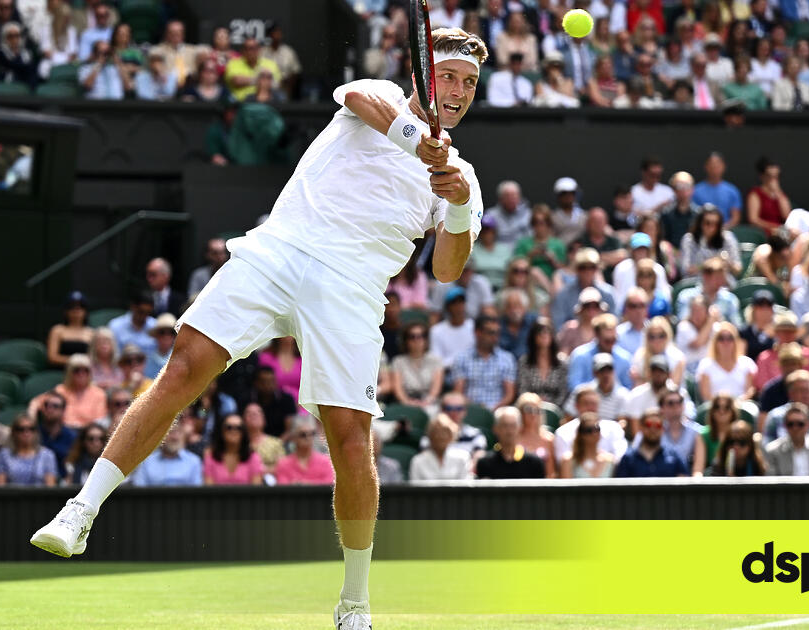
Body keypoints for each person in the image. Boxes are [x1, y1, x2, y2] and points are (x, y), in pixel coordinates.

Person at [30, 30, 491, 630]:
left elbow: (447, 268)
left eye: (469, 85)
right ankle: (79, 512)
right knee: (185, 364)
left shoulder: (465, 175)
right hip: (279, 250)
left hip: (351, 291)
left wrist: (453, 201)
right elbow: (357, 102)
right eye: (449, 77)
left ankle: (355, 603)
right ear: (422, 74)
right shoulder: (380, 94)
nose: (456, 92)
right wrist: (417, 144)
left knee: (351, 440)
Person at [452, 316, 517, 410]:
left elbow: (509, 395)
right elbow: (458, 392)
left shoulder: (507, 359)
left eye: (497, 333)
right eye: (491, 333)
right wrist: (477, 409)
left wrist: (494, 408)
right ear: (478, 333)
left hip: (498, 411)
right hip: (470, 411)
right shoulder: (462, 359)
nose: (495, 337)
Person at [27, 354, 107, 429]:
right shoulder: (60, 390)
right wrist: (32, 419)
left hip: (87, 435)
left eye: (85, 370)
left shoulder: (98, 393)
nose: (81, 374)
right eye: (77, 370)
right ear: (69, 373)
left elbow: (99, 420)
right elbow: (35, 402)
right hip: (63, 431)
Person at [764, 402, 809, 476]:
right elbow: (771, 481)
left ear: (808, 424)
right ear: (785, 426)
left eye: (800, 424)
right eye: (790, 424)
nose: (795, 428)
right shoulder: (773, 451)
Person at [475, 406, 547, 479]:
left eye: (513, 426)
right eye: (505, 426)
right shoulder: (485, 463)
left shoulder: (534, 463)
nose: (509, 431)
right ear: (496, 429)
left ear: (520, 428)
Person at [615, 408, 689, 477]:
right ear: (641, 427)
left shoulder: (674, 456)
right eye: (648, 425)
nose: (653, 429)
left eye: (658, 425)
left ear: (663, 429)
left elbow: (685, 483)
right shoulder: (628, 458)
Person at [568, 314, 634, 390]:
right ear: (597, 335)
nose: (611, 344)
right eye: (607, 341)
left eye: (613, 340)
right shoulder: (580, 355)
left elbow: (628, 388)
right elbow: (574, 386)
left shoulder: (625, 358)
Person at [390, 322, 444, 416]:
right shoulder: (398, 361)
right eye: (412, 336)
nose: (417, 340)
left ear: (426, 340)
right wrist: (408, 402)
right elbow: (398, 390)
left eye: (421, 336)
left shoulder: (436, 360)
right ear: (406, 340)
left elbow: (435, 389)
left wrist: (426, 402)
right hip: (405, 403)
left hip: (430, 403)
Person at [129, 419, 203, 487]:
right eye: (171, 432)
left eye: (179, 433)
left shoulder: (194, 462)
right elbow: (139, 492)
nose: (175, 437)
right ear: (161, 437)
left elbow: (197, 495)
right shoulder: (146, 462)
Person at [697, 322, 757, 401]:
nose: (726, 342)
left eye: (730, 338)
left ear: (736, 341)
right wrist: (723, 406)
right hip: (714, 409)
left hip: (742, 407)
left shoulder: (747, 363)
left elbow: (751, 390)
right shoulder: (705, 364)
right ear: (715, 342)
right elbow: (706, 395)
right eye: (721, 338)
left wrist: (736, 404)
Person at [0, 413, 58, 487]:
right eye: (21, 429)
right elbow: (0, 487)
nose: (26, 433)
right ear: (14, 432)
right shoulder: (4, 454)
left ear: (36, 432)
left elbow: (50, 488)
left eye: (31, 429)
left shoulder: (47, 455)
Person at [679, 204, 741, 279]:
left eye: (716, 224)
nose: (712, 228)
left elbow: (738, 269)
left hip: (722, 283)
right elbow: (685, 270)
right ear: (700, 223)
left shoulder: (728, 238)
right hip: (696, 283)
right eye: (707, 223)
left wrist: (726, 262)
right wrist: (710, 263)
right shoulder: (689, 239)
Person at [515, 318, 566, 406]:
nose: (544, 335)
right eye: (540, 332)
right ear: (533, 336)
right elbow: (522, 390)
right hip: (530, 407)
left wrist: (550, 405)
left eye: (547, 332)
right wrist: (536, 401)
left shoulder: (562, 362)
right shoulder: (524, 362)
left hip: (556, 409)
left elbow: (563, 392)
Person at [203, 413, 264, 485]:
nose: (234, 430)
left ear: (243, 432)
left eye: (238, 428)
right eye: (229, 427)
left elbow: (256, 491)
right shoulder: (211, 458)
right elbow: (208, 491)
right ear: (222, 431)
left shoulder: (253, 458)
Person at [409, 413, 474, 480]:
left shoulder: (463, 458)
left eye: (445, 432)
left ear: (452, 435)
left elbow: (466, 486)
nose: (440, 436)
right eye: (436, 432)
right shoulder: (417, 461)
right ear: (430, 435)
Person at [276, 416, 335, 485]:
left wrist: (304, 484)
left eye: (312, 433)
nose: (308, 437)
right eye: (303, 434)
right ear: (294, 438)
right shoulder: (284, 463)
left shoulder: (325, 462)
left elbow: (330, 484)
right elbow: (282, 487)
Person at [559, 412, 616, 478]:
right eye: (589, 430)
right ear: (581, 434)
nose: (594, 433)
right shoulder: (568, 460)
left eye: (597, 429)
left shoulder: (610, 460)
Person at [45, 291, 93, 368]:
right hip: (60, 372)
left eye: (80, 306)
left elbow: (93, 358)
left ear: (86, 311)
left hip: (84, 373)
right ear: (65, 311)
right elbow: (52, 357)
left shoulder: (91, 332)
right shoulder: (57, 330)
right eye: (72, 307)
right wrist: (76, 361)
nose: (76, 310)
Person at [36, 391, 76, 480]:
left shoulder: (72, 437)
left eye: (55, 406)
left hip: (64, 485)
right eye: (46, 405)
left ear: (63, 410)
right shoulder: (33, 433)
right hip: (37, 485)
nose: (50, 409)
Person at [515, 392, 556, 477]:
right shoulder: (513, 438)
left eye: (537, 410)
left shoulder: (548, 439)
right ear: (520, 412)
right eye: (529, 409)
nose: (533, 414)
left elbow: (551, 473)